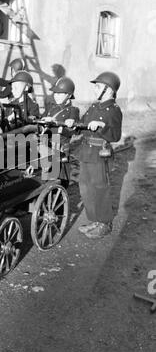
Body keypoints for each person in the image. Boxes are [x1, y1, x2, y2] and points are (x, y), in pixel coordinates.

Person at [66, 72, 122, 239]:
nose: (95, 90)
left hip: (100, 153)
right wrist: (74, 125)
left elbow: (116, 136)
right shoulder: (93, 106)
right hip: (86, 151)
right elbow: (83, 124)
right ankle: (94, 220)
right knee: (85, 187)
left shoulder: (114, 110)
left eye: (98, 86)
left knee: (100, 188)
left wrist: (101, 126)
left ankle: (105, 223)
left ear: (109, 90)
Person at [42, 76, 80, 187]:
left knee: (59, 174)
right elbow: (42, 118)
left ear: (69, 95)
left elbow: (73, 131)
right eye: (55, 93)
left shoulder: (73, 110)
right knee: (44, 172)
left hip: (60, 144)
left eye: (59, 93)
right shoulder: (51, 107)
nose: (56, 96)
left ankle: (59, 192)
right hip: (47, 142)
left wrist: (66, 124)